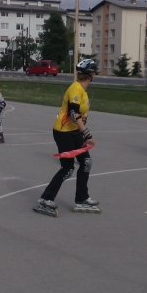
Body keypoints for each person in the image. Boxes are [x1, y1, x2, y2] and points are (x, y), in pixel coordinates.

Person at [34, 58, 99, 216]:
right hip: (63, 132)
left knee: (86, 162)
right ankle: (46, 199)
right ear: (91, 74)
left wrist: (82, 133)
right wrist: (87, 134)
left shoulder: (82, 90)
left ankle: (82, 198)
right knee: (68, 168)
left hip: (75, 132)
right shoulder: (75, 88)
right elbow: (73, 113)